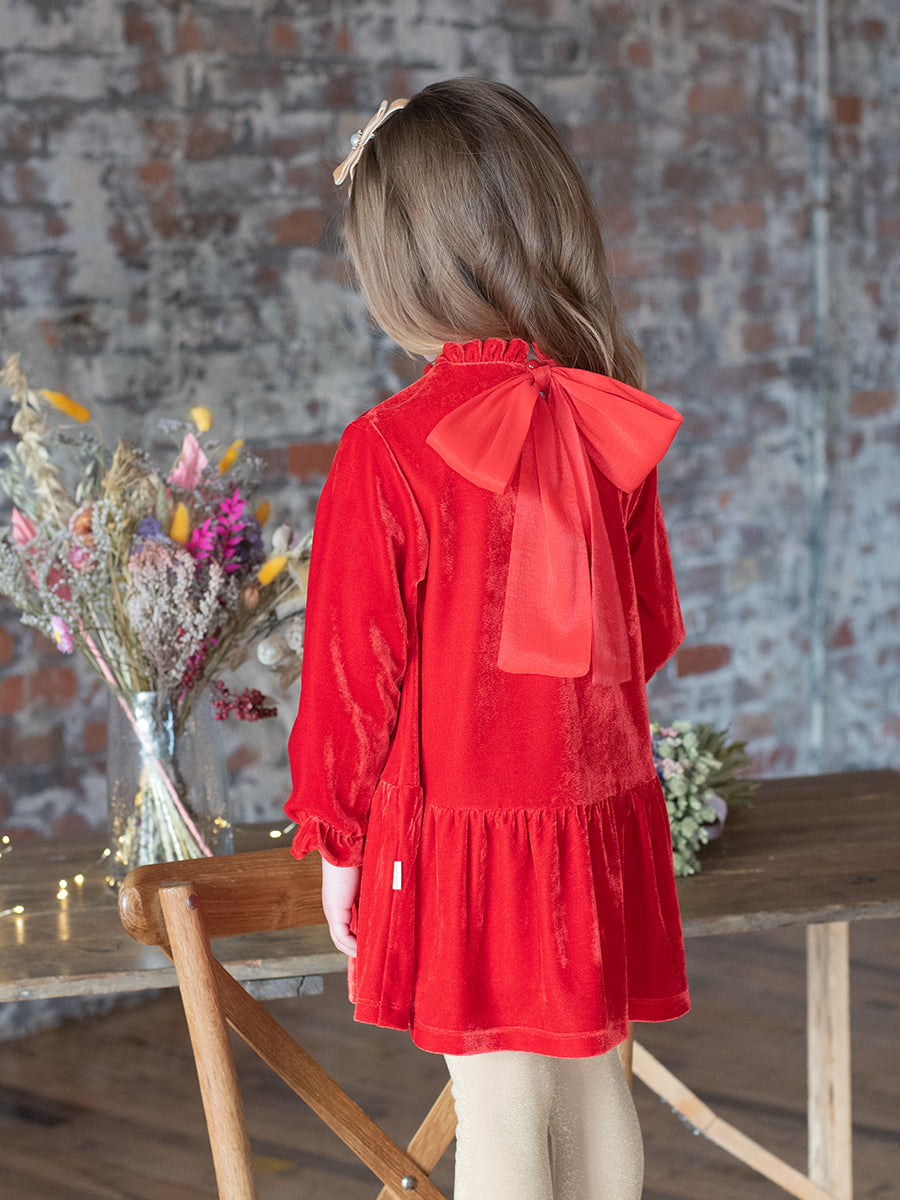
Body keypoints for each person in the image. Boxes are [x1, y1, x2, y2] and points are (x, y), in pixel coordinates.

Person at [285, 78, 690, 1200]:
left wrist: (338, 841)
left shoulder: (387, 449)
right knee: (594, 1089)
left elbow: (350, 681)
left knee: (499, 1109)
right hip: (597, 816)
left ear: (398, 262)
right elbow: (650, 628)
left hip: (469, 832)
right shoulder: (611, 416)